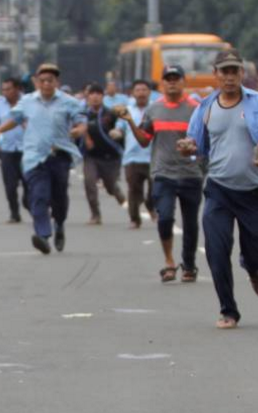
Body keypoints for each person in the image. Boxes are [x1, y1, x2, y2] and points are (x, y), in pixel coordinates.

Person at [179, 50, 258, 329]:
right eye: (223, 72)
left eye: (234, 71)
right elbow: (195, 144)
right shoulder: (205, 107)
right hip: (218, 189)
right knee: (216, 249)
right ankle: (229, 310)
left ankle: (254, 268)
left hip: (253, 190)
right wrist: (188, 147)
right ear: (215, 74)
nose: (229, 77)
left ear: (241, 74)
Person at [0, 63, 87, 254]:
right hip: (34, 157)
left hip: (59, 156)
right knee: (38, 196)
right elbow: (15, 119)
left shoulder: (68, 102)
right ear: (37, 82)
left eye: (50, 81)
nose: (46, 84)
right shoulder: (27, 101)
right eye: (42, 81)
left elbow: (82, 123)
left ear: (56, 82)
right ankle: (43, 235)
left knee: (59, 198)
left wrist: (76, 131)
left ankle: (59, 224)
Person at [122, 65, 202, 283]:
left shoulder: (196, 109)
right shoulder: (154, 109)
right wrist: (130, 122)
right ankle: (169, 261)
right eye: (168, 79)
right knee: (165, 217)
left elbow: (206, 140)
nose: (172, 82)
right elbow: (144, 139)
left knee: (190, 223)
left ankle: (189, 263)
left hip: (190, 174)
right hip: (163, 173)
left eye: (176, 78)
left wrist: (193, 146)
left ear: (183, 82)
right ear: (163, 83)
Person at [81, 82, 127, 224]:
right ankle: (95, 214)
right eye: (92, 94)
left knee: (110, 186)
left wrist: (118, 132)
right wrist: (85, 138)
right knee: (89, 182)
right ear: (87, 97)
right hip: (91, 156)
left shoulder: (110, 114)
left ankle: (118, 193)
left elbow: (121, 127)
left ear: (103, 96)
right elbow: (77, 127)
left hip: (110, 157)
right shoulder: (83, 114)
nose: (95, 97)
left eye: (98, 94)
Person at [0, 77, 26, 223]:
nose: (6, 92)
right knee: (10, 185)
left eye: (9, 89)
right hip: (7, 150)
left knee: (30, 183)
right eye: (3, 89)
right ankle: (14, 213)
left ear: (17, 89)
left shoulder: (28, 102)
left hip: (27, 150)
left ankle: (30, 203)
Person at [119, 80, 154, 229]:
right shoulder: (127, 110)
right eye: (138, 90)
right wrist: (116, 132)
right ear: (133, 93)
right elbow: (120, 126)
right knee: (133, 189)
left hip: (153, 157)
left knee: (156, 189)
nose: (141, 93)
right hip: (132, 157)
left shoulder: (155, 109)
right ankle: (134, 219)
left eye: (144, 90)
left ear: (149, 92)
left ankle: (151, 205)